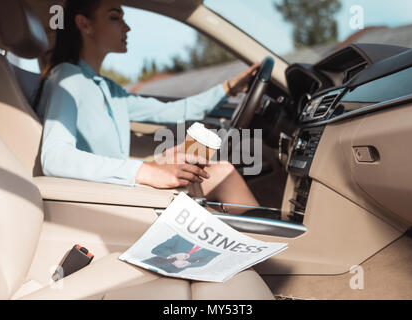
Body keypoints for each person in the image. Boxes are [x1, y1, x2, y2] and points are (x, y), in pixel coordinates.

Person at [37, 0, 260, 214]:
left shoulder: (110, 89)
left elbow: (173, 111)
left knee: (209, 179)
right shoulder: (68, 78)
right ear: (84, 24)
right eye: (115, 17)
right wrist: (146, 171)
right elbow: (55, 157)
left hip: (117, 188)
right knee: (223, 173)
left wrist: (229, 87)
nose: (127, 27)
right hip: (100, 199)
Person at [142, 235, 220, 274]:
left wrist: (189, 264)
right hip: (154, 263)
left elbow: (204, 262)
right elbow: (156, 250)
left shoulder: (215, 250)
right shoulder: (182, 237)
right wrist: (174, 255)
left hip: (174, 272)